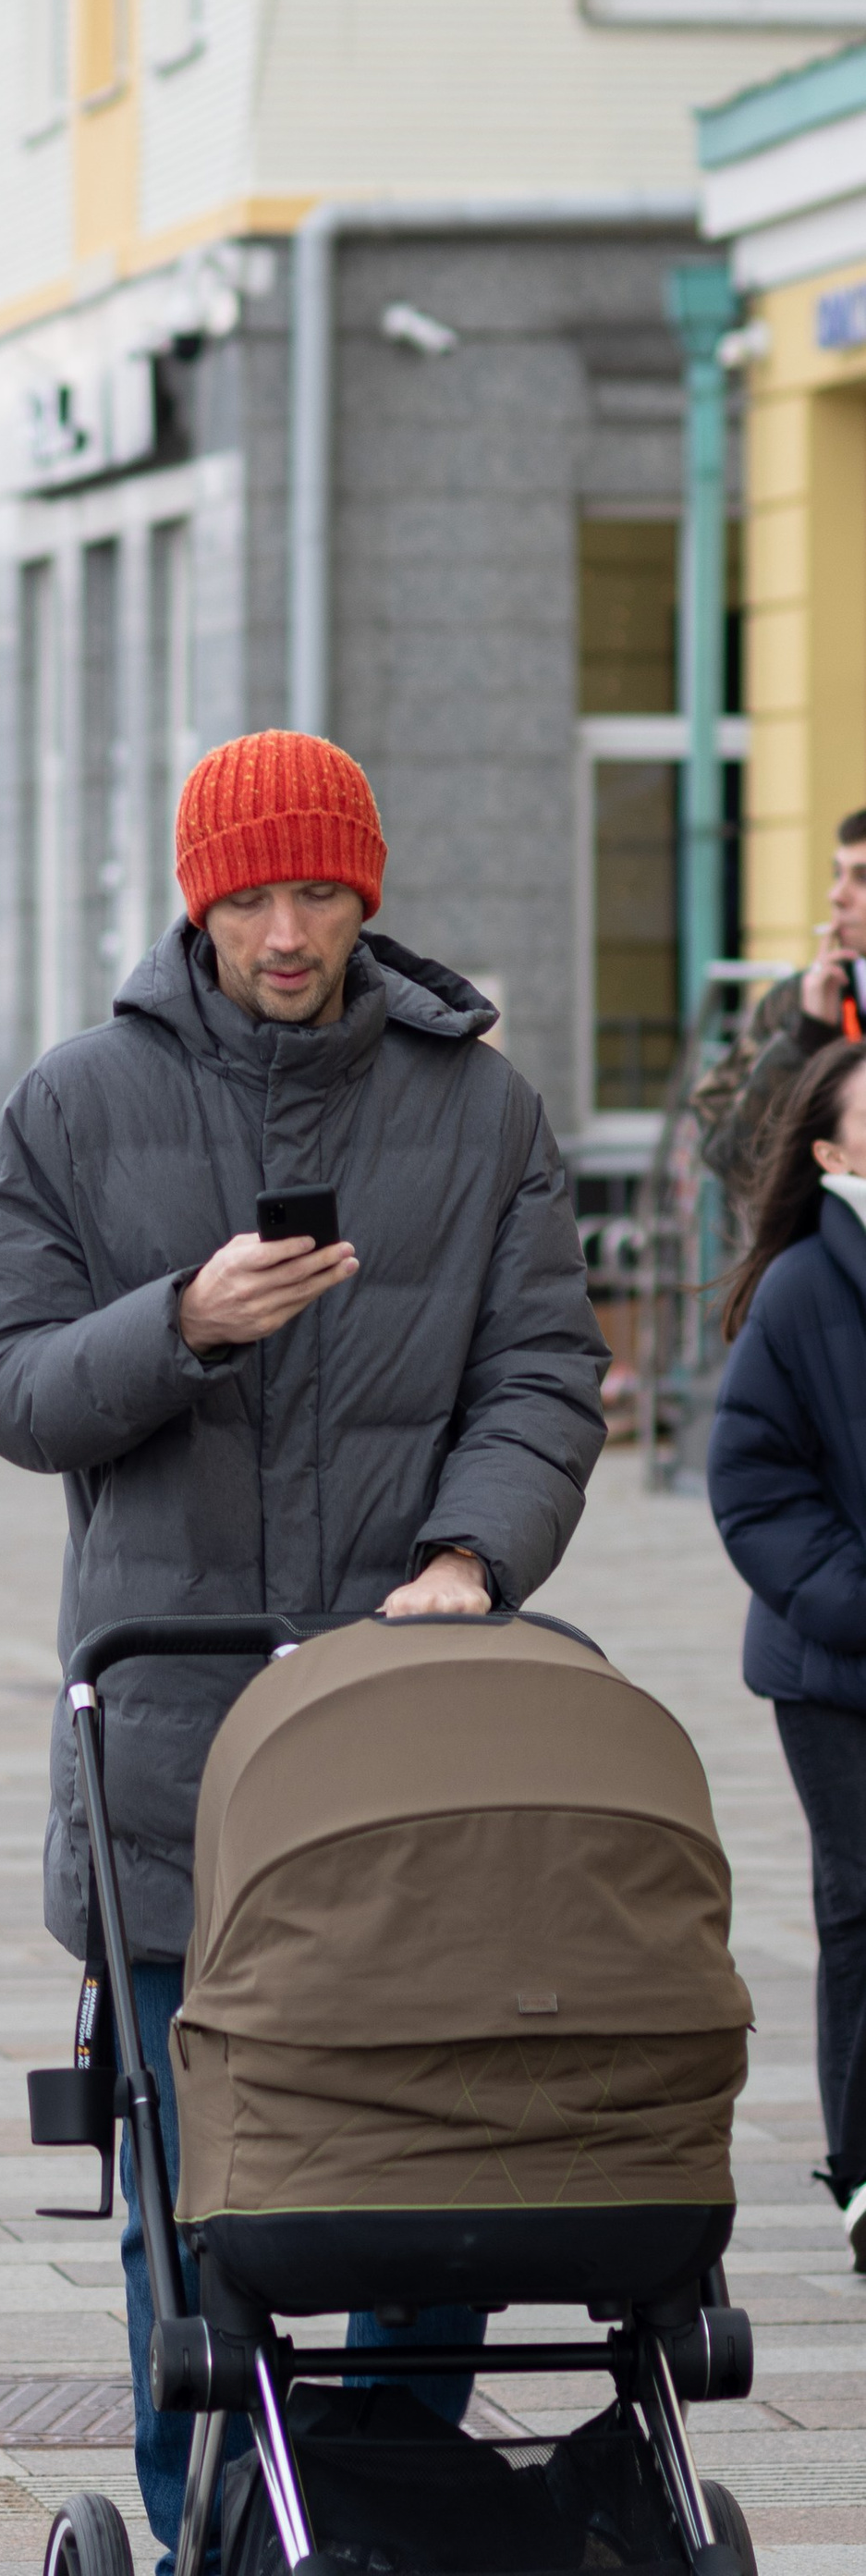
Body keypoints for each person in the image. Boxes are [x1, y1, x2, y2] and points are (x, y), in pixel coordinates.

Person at [0, 730, 608, 2573]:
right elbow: (0, 1384)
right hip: (174, 1759)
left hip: (417, 1747)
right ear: (196, 898)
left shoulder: (474, 1110)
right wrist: (180, 1322)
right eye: (251, 894)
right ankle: (208, 2540)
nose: (288, 929)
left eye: (320, 890)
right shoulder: (76, 1104)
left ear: (366, 894)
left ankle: (381, 2516)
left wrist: (472, 1554)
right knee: (202, 2218)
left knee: (433, 2193)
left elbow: (542, 1370)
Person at [708, 1035, 866, 2269]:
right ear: (829, 1151)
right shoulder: (806, 1288)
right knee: (863, 1909)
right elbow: (754, 1485)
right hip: (839, 1670)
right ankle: (865, 2174)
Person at [696, 806, 866, 1189]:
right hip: (823, 1240)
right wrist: (807, 1040)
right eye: (837, 874)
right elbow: (731, 1158)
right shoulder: (795, 1004)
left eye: (863, 878)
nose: (837, 896)